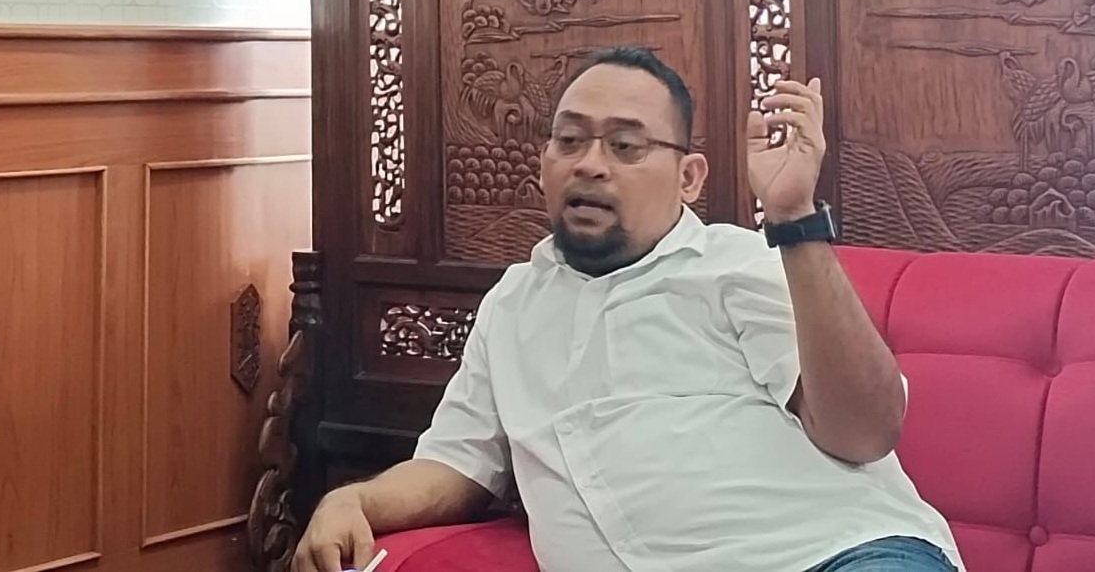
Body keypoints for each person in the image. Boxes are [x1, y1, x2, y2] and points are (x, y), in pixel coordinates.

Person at [293, 47, 963, 572]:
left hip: (837, 553)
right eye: (570, 140)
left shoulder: (736, 264)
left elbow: (864, 433)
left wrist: (793, 222)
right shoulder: (514, 305)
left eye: (625, 146)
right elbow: (458, 465)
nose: (590, 164)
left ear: (689, 177)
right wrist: (355, 499)